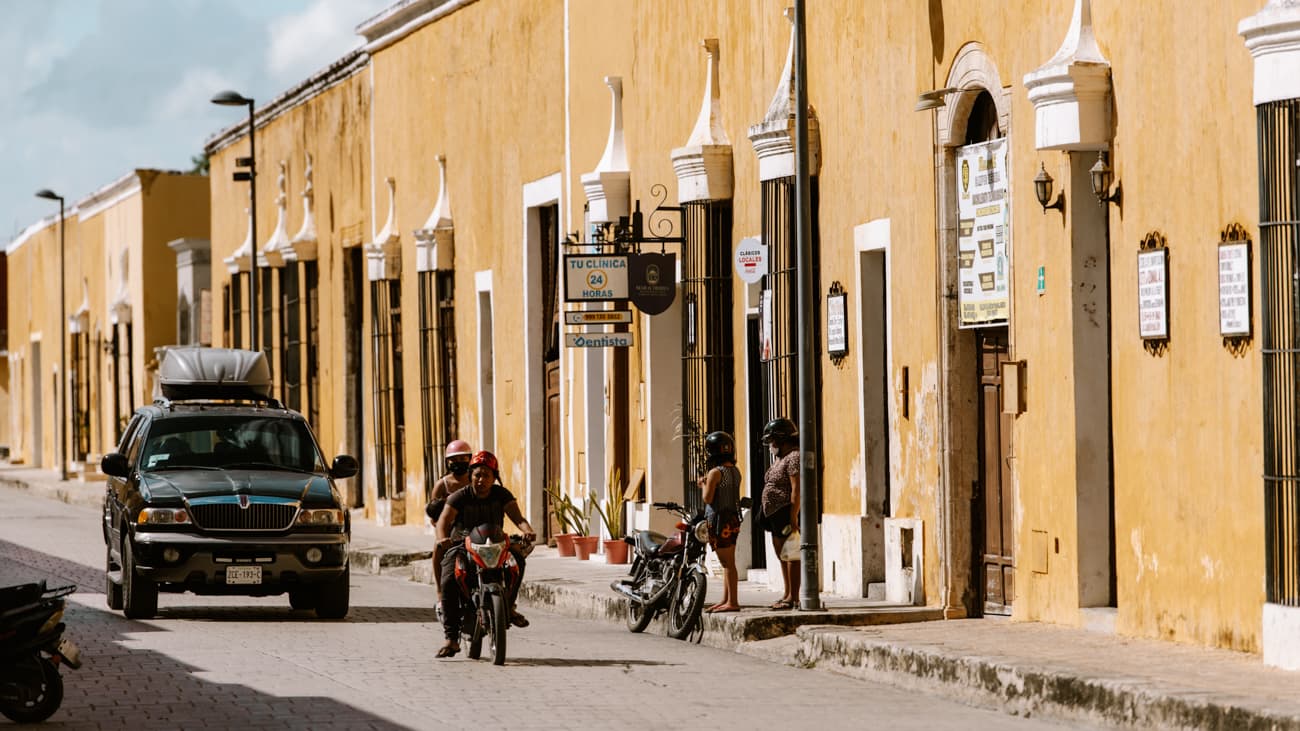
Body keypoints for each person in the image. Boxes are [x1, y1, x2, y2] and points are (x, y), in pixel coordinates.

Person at [434, 450, 537, 658]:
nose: (481, 480)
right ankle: (451, 639)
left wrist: (527, 530)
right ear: (470, 475)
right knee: (448, 579)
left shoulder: (502, 494)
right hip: (463, 544)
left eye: (486, 476)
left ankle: (509, 605)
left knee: (517, 561)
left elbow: (518, 518)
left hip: (495, 543)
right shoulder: (460, 496)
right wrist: (442, 538)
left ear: (494, 477)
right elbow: (443, 521)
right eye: (477, 475)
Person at [758, 417, 800, 610]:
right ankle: (786, 593)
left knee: (790, 554)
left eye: (773, 441)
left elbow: (796, 489)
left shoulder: (794, 457)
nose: (771, 445)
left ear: (782, 440)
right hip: (774, 514)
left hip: (784, 511)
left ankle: (793, 597)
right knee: (781, 554)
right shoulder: (780, 459)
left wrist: (793, 515)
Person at [427, 439, 473, 609]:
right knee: (437, 550)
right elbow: (434, 515)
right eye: (454, 459)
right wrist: (444, 530)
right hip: (451, 529)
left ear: (470, 459)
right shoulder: (442, 485)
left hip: (474, 527)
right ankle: (440, 592)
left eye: (463, 459)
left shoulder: (476, 480)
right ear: (447, 462)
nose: (459, 463)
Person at [699, 430, 742, 613]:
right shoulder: (734, 471)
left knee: (728, 563)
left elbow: (708, 499)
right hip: (732, 518)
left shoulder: (715, 473)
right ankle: (726, 599)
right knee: (727, 563)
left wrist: (703, 484)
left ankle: (732, 602)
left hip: (718, 520)